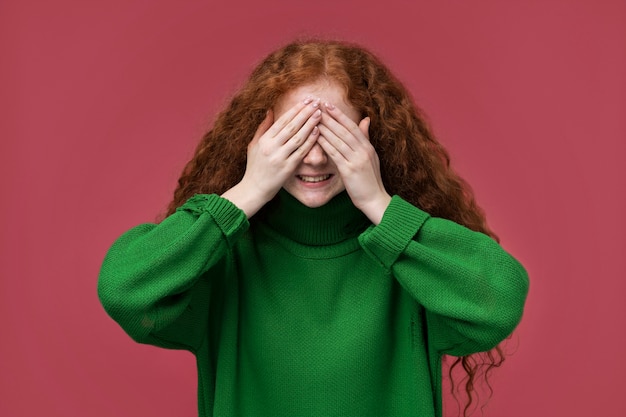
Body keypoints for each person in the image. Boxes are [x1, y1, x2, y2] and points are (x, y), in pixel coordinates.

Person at [98, 39, 529, 417]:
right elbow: (125, 291)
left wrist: (379, 204)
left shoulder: (411, 259)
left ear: (371, 141)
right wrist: (247, 192)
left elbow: (500, 302)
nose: (316, 159)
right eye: (295, 136)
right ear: (259, 137)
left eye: (336, 137)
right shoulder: (222, 255)